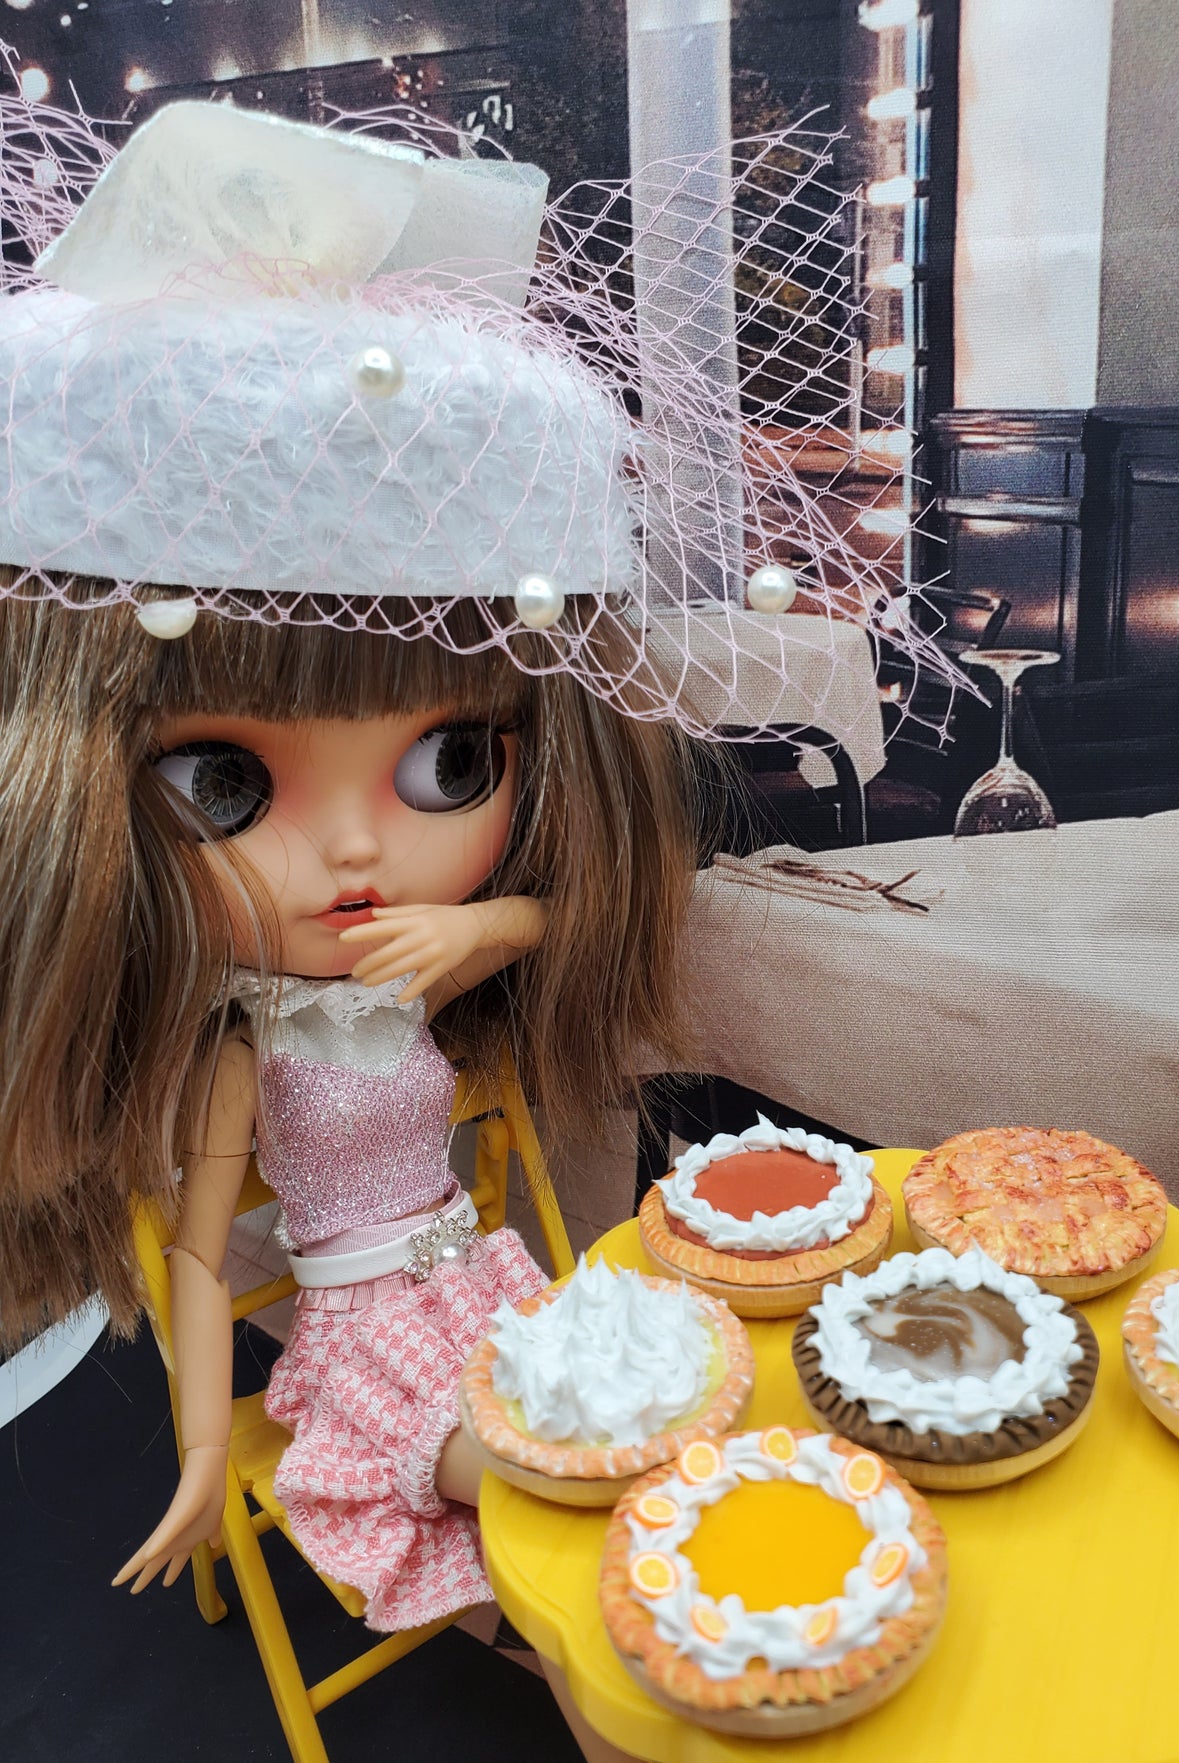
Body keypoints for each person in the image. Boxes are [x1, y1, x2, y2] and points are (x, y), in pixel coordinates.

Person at [0, 89, 955, 1634]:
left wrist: (482, 927)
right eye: (221, 782)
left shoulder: (420, 960)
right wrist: (192, 1455)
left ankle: (715, 1649)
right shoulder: (252, 1054)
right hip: (365, 1334)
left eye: (454, 764)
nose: (364, 848)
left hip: (488, 1286)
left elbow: (565, 917)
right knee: (583, 1507)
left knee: (655, 1462)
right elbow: (192, 1265)